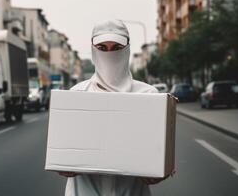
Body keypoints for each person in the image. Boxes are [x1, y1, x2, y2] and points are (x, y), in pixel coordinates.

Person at [59, 19, 169, 196]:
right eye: (102, 48)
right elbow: (64, 156)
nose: (109, 53)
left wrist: (158, 171)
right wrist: (65, 165)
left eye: (116, 48)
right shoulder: (77, 95)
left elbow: (157, 157)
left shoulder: (149, 96)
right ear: (93, 50)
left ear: (127, 49)